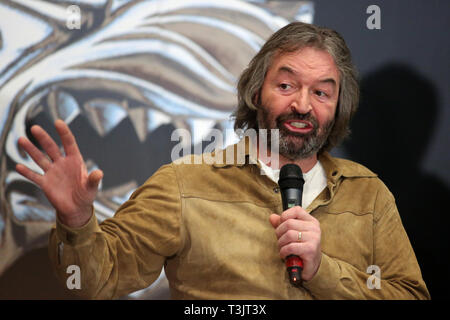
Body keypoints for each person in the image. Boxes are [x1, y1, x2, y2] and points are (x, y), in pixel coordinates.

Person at [15, 22, 430, 299]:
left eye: (322, 93)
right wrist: (76, 222)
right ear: (255, 92)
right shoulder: (185, 184)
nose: (303, 105)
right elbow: (96, 280)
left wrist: (322, 269)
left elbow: (410, 295)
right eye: (286, 85)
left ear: (339, 107)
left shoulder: (368, 193)